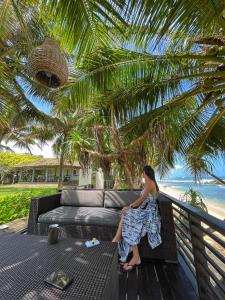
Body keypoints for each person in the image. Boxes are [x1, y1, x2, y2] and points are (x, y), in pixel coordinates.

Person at [112, 165, 162, 271]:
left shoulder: (150, 183)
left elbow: (141, 199)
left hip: (150, 213)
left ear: (146, 172)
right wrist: (130, 208)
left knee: (128, 216)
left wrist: (129, 206)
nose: (142, 174)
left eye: (142, 172)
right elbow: (143, 201)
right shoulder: (149, 183)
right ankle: (131, 254)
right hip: (146, 210)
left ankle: (132, 254)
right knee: (127, 215)